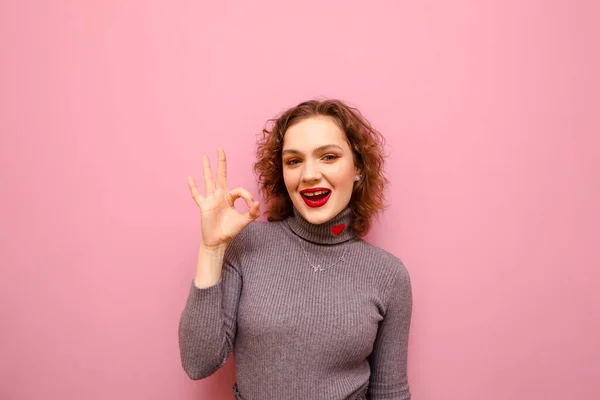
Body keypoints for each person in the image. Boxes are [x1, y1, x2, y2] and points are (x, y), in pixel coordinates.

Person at [178, 99, 413, 400]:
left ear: (358, 168)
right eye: (294, 161)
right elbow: (199, 362)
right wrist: (211, 249)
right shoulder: (248, 245)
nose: (309, 174)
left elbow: (390, 393)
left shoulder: (388, 274)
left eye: (328, 157)